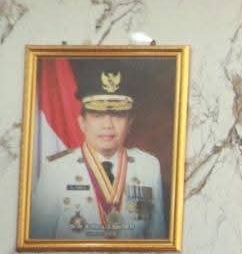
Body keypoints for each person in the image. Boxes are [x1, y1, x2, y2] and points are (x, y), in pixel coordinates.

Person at [28, 66, 168, 241]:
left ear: (130, 123)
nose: (107, 125)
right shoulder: (56, 170)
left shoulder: (148, 166)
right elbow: (37, 245)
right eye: (97, 115)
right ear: (82, 123)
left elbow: (157, 240)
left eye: (117, 116)